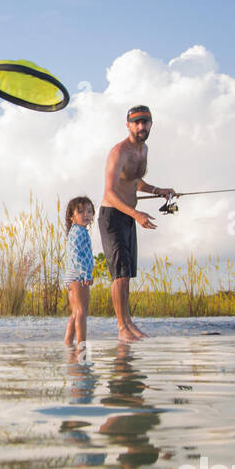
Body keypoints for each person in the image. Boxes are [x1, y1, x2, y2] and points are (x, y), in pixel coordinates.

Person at [99, 105, 176, 342]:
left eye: (146, 122)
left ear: (151, 124)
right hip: (113, 215)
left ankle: (129, 323)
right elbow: (110, 193)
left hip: (129, 217)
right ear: (128, 125)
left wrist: (158, 190)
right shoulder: (118, 152)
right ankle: (122, 327)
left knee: (127, 275)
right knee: (119, 274)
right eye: (137, 123)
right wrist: (136, 214)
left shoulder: (144, 150)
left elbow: (134, 181)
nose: (141, 126)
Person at [62, 196, 95, 348]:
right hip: (78, 275)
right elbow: (76, 254)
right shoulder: (79, 232)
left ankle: (68, 342)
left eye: (89, 211)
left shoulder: (76, 231)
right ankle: (82, 345)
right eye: (81, 212)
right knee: (82, 311)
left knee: (75, 312)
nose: (86, 215)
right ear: (72, 217)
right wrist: (85, 274)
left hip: (72, 274)